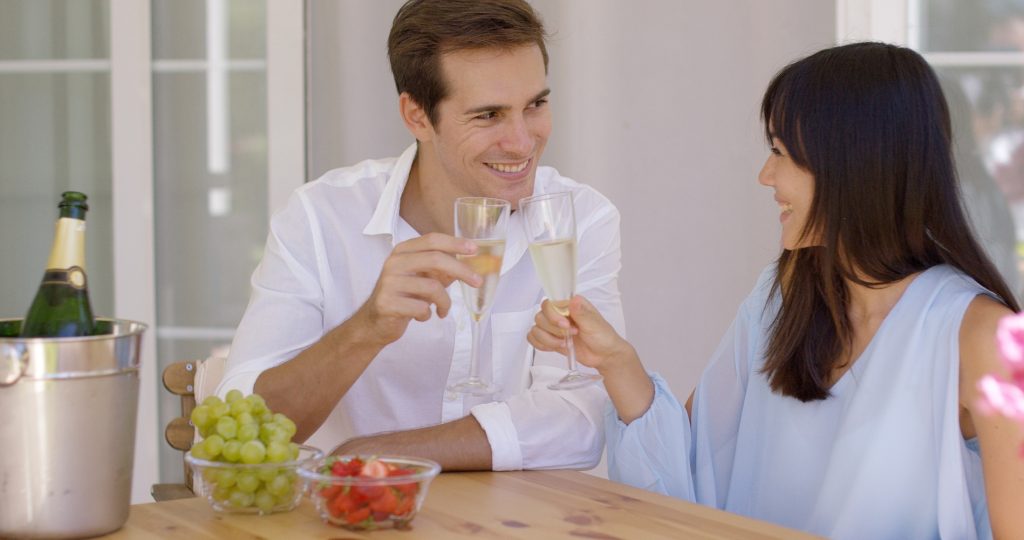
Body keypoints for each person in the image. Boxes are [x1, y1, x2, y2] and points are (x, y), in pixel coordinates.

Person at [528, 42, 1024, 538]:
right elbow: (681, 480)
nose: (765, 175)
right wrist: (615, 359)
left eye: (781, 154)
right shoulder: (783, 297)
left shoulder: (984, 339)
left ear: (853, 166)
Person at [216, 0, 624, 472]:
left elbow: (583, 419)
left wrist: (373, 455)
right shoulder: (320, 217)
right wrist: (366, 330)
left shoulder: (581, 219)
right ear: (416, 116)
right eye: (488, 115)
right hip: (355, 521)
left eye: (535, 105)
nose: (522, 141)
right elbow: (241, 423)